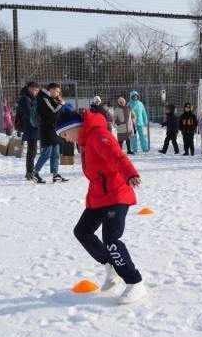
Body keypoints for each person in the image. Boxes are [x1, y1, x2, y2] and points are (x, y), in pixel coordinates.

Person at [55, 109, 147, 305]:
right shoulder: (85, 141)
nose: (66, 139)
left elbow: (117, 155)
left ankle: (134, 282)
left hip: (117, 193)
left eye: (65, 134)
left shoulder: (98, 135)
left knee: (111, 239)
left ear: (74, 127)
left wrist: (130, 174)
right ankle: (111, 266)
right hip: (100, 196)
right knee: (82, 231)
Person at [34, 83, 67, 183]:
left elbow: (57, 113)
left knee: (56, 154)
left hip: (54, 129)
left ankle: (55, 174)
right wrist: (60, 104)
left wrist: (59, 102)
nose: (57, 94)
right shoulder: (43, 98)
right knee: (46, 153)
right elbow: (52, 112)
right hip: (47, 129)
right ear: (51, 90)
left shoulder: (51, 98)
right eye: (56, 91)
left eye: (58, 92)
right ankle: (35, 173)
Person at [18, 81, 41, 180]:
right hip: (30, 127)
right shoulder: (25, 98)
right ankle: (29, 172)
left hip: (34, 127)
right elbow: (29, 113)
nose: (36, 92)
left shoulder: (32, 98)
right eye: (34, 89)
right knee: (32, 151)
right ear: (29, 88)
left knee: (33, 151)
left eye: (37, 90)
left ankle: (30, 171)